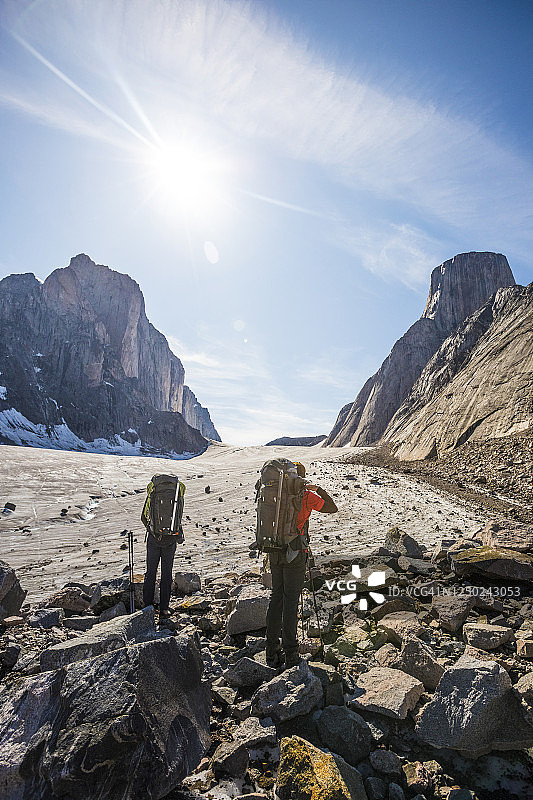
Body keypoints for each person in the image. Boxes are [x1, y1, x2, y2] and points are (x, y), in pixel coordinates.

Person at [265, 462, 337, 669]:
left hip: (274, 551)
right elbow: (332, 508)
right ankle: (291, 654)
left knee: (276, 597)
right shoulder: (305, 496)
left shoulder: (273, 492)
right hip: (295, 554)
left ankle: (271, 652)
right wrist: (318, 489)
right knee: (291, 602)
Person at [141, 475, 185, 620]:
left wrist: (152, 529)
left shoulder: (153, 491)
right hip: (170, 541)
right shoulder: (178, 491)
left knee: (151, 572)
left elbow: (144, 516)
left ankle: (148, 606)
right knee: (167, 575)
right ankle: (164, 609)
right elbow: (179, 515)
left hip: (154, 539)